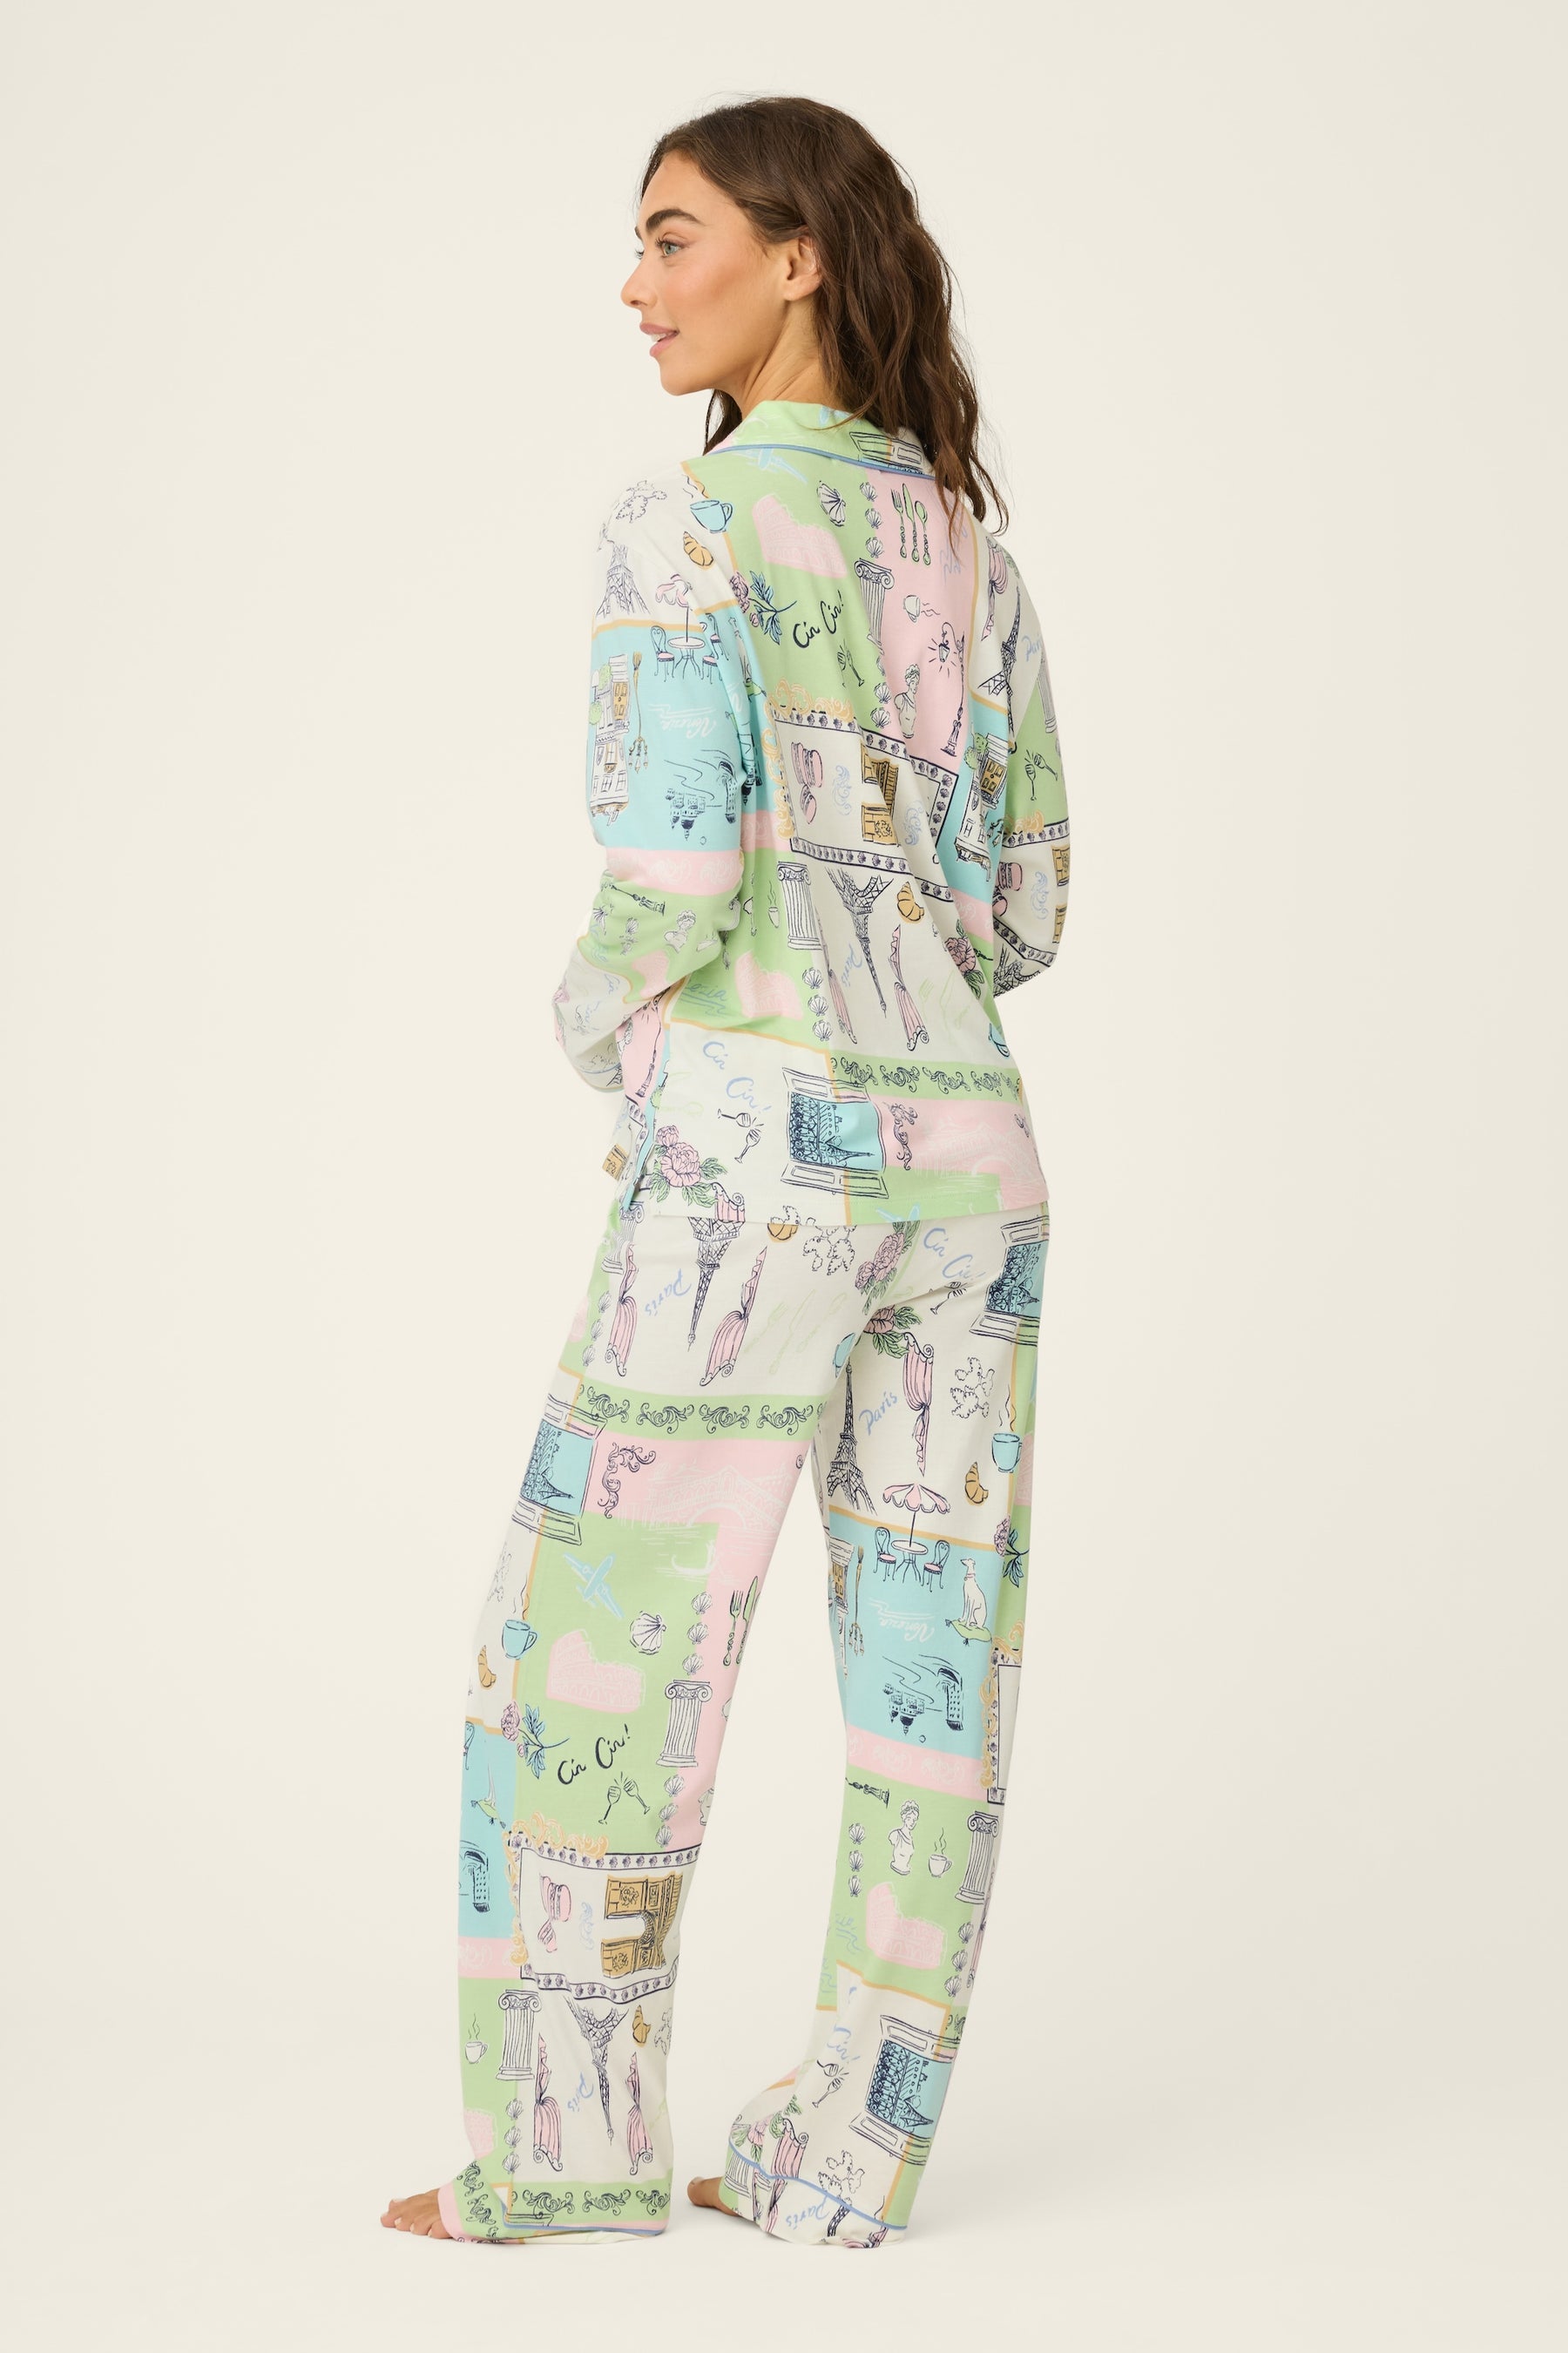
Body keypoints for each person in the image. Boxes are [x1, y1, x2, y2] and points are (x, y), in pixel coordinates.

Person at [382, 91, 1070, 2248]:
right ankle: (840, 2166)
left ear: (798, 254)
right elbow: (1030, 903)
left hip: (752, 1169)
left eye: (672, 238)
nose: (634, 283)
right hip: (973, 1170)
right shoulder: (972, 553)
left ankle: (569, 2157)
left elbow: (671, 874)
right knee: (933, 1687)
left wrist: (609, 1028)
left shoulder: (681, 530)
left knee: (588, 1643)